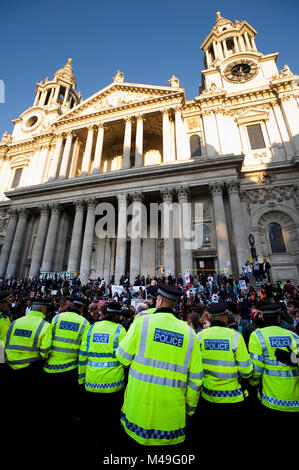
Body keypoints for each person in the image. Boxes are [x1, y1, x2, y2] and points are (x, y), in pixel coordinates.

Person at [116, 283, 203, 454]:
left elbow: (122, 357)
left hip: (137, 413)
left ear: (159, 300)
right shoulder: (190, 334)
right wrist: (189, 410)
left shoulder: (142, 322)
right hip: (172, 419)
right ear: (175, 303)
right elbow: (196, 380)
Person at [196, 301, 253, 451]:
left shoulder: (200, 336)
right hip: (233, 397)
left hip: (208, 395)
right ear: (225, 317)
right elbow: (246, 371)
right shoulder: (235, 337)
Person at [78, 301, 127, 455]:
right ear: (118, 315)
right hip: (113, 385)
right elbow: (125, 360)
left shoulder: (92, 329)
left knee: (93, 421)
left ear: (104, 313)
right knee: (111, 423)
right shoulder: (120, 330)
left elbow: (83, 355)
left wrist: (81, 379)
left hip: (92, 382)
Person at [248, 303, 299, 439]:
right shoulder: (293, 336)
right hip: (295, 399)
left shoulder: (258, 336)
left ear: (262, 317)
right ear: (278, 318)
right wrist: (292, 360)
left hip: (271, 399)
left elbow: (256, 369)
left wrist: (253, 385)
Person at [4, 298, 52, 436]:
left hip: (10, 367)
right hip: (30, 370)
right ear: (43, 309)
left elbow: (6, 343)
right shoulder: (45, 325)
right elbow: (45, 351)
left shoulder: (15, 322)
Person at [43, 298, 90, 433]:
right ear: (82, 309)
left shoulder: (57, 318)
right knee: (67, 403)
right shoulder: (84, 323)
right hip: (70, 368)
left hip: (50, 366)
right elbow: (83, 351)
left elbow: (47, 341)